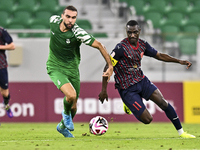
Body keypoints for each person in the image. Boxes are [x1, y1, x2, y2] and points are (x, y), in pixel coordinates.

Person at [98, 20, 196, 138]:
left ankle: (182, 132)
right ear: (126, 32)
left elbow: (159, 55)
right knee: (148, 119)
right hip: (127, 88)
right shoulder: (120, 48)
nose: (132, 35)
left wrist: (178, 61)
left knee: (163, 103)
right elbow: (108, 67)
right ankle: (128, 104)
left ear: (139, 31)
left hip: (142, 81)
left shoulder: (143, 45)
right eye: (129, 32)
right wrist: (104, 90)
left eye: (135, 32)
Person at [46, 5, 113, 138]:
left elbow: (99, 45)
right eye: (68, 17)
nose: (71, 20)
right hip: (55, 67)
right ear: (62, 16)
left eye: (74, 18)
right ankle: (65, 114)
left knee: (74, 105)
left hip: (73, 70)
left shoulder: (78, 33)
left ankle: (62, 127)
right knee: (70, 96)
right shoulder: (53, 21)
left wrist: (110, 66)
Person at [0, 26, 15, 118]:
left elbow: (12, 46)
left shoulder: (1, 31)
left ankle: (6, 104)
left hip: (1, 66)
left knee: (5, 92)